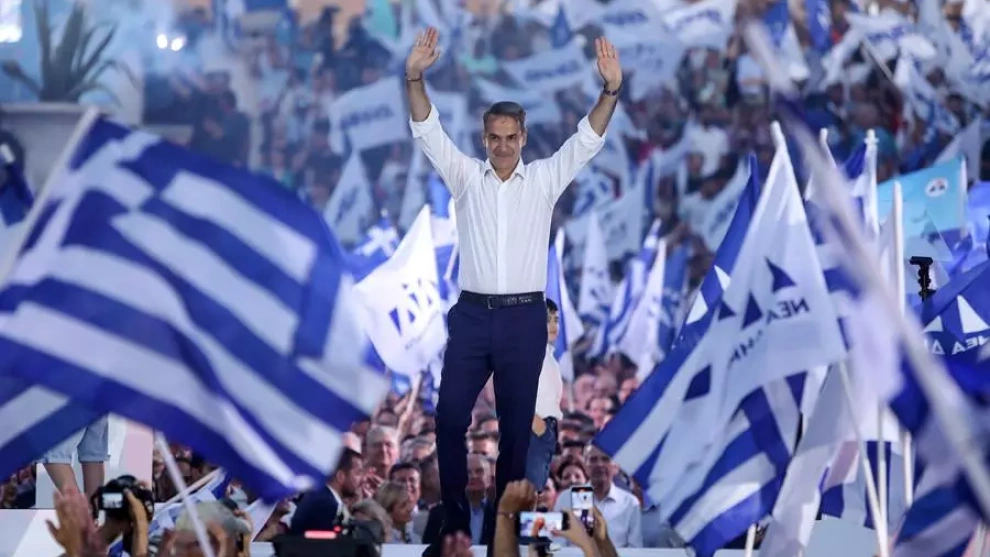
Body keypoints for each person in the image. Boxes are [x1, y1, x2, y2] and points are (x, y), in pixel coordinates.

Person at [404, 26, 622, 554]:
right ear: (485, 139)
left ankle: (505, 528)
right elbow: (428, 130)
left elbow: (586, 141)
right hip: (473, 316)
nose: (502, 146)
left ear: (523, 138)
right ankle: (456, 523)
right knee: (449, 418)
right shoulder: (464, 178)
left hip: (524, 318)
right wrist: (413, 78)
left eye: (511, 137)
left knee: (516, 433)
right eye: (494, 138)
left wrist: (610, 90)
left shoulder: (544, 179)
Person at [525, 299, 563, 491]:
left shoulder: (550, 358)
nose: (553, 326)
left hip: (546, 429)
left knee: (536, 490)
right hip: (533, 431)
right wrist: (539, 428)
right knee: (528, 492)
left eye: (556, 320)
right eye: (547, 320)